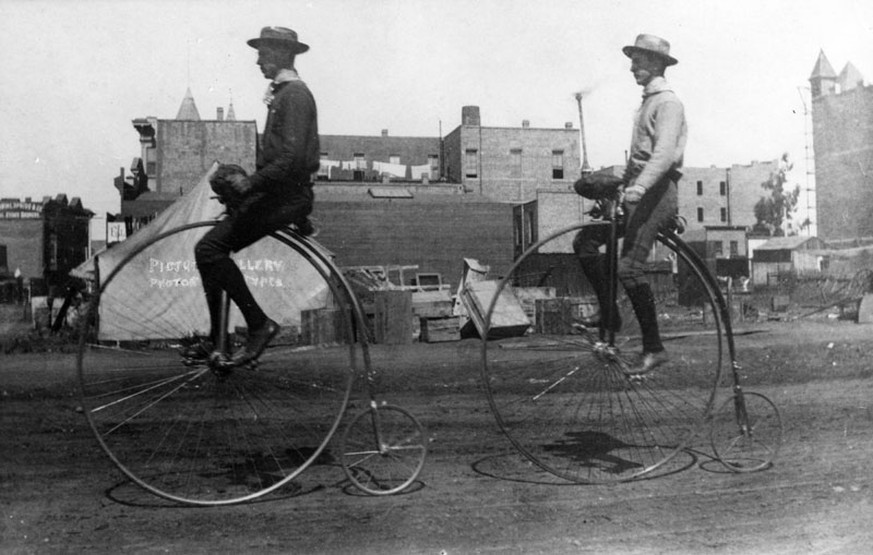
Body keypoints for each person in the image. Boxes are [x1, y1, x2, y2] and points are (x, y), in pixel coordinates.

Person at [186, 26, 320, 367]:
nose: (258, 60)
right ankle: (219, 338)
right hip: (279, 196)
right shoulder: (282, 95)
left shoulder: (295, 96)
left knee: (209, 249)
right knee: (209, 251)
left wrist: (251, 185)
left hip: (284, 198)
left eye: (264, 53)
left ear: (282, 55)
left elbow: (292, 160)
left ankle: (259, 325)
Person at [573, 34, 687, 375]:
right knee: (586, 242)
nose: (632, 67)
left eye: (637, 61)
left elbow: (664, 155)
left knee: (629, 268)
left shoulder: (668, 103)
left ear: (655, 63)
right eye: (633, 60)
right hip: (640, 191)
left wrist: (638, 186)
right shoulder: (646, 104)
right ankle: (609, 313)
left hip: (657, 194)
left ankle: (654, 348)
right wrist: (606, 178)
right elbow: (639, 159)